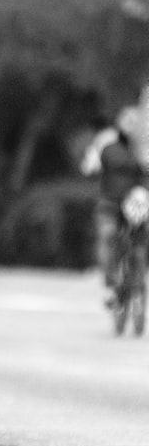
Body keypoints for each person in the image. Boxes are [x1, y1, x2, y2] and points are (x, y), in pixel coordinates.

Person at [80, 107, 148, 305]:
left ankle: (137, 283)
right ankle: (111, 285)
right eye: (127, 121)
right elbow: (90, 167)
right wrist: (92, 160)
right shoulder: (108, 145)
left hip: (138, 206)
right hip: (110, 202)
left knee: (139, 246)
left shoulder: (144, 149)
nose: (131, 125)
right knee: (107, 237)